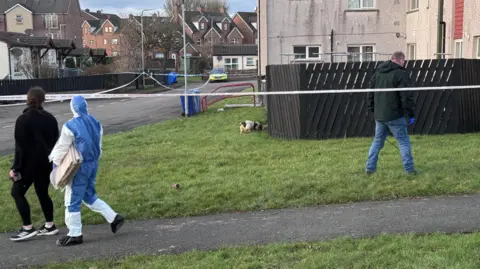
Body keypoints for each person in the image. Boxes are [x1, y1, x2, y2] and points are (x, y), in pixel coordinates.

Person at [49, 95, 124, 247]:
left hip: (78, 167)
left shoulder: (70, 126)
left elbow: (61, 148)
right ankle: (114, 217)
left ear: (72, 107)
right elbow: (99, 146)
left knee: (72, 200)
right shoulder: (96, 123)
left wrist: (55, 166)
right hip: (93, 164)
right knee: (89, 196)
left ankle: (75, 233)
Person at [9, 87, 59, 241]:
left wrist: (15, 168)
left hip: (29, 165)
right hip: (46, 163)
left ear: (28, 99)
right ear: (43, 99)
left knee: (17, 193)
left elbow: (20, 147)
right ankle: (50, 225)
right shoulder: (51, 118)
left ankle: (27, 227)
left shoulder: (22, 120)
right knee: (42, 192)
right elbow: (56, 141)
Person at [365, 51, 417, 175]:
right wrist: (410, 114)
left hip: (380, 116)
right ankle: (409, 170)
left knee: (377, 142)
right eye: (404, 61)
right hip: (395, 116)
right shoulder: (401, 74)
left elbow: (370, 94)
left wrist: (374, 110)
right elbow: (406, 97)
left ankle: (370, 168)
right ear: (401, 60)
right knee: (404, 141)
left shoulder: (377, 73)